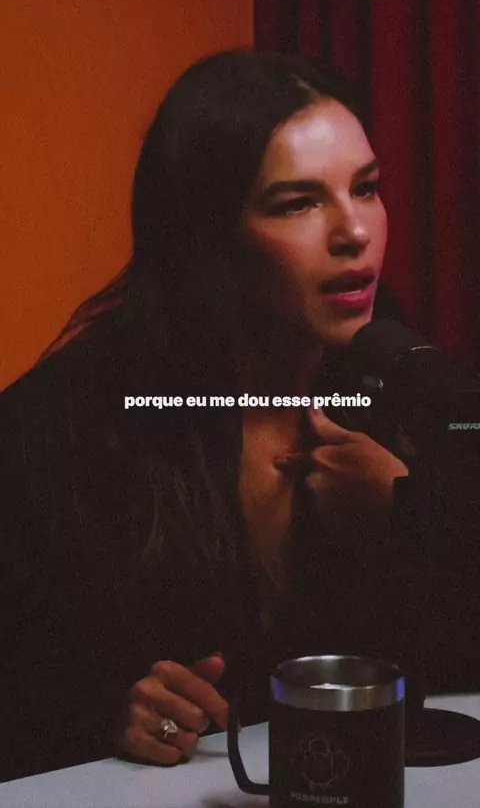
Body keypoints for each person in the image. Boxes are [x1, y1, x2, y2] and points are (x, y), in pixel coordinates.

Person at [1, 50, 478, 783]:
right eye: (298, 203)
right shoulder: (72, 422)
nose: (355, 231)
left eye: (366, 188)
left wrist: (410, 513)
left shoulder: (397, 386)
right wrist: (108, 715)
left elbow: (451, 661)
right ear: (207, 232)